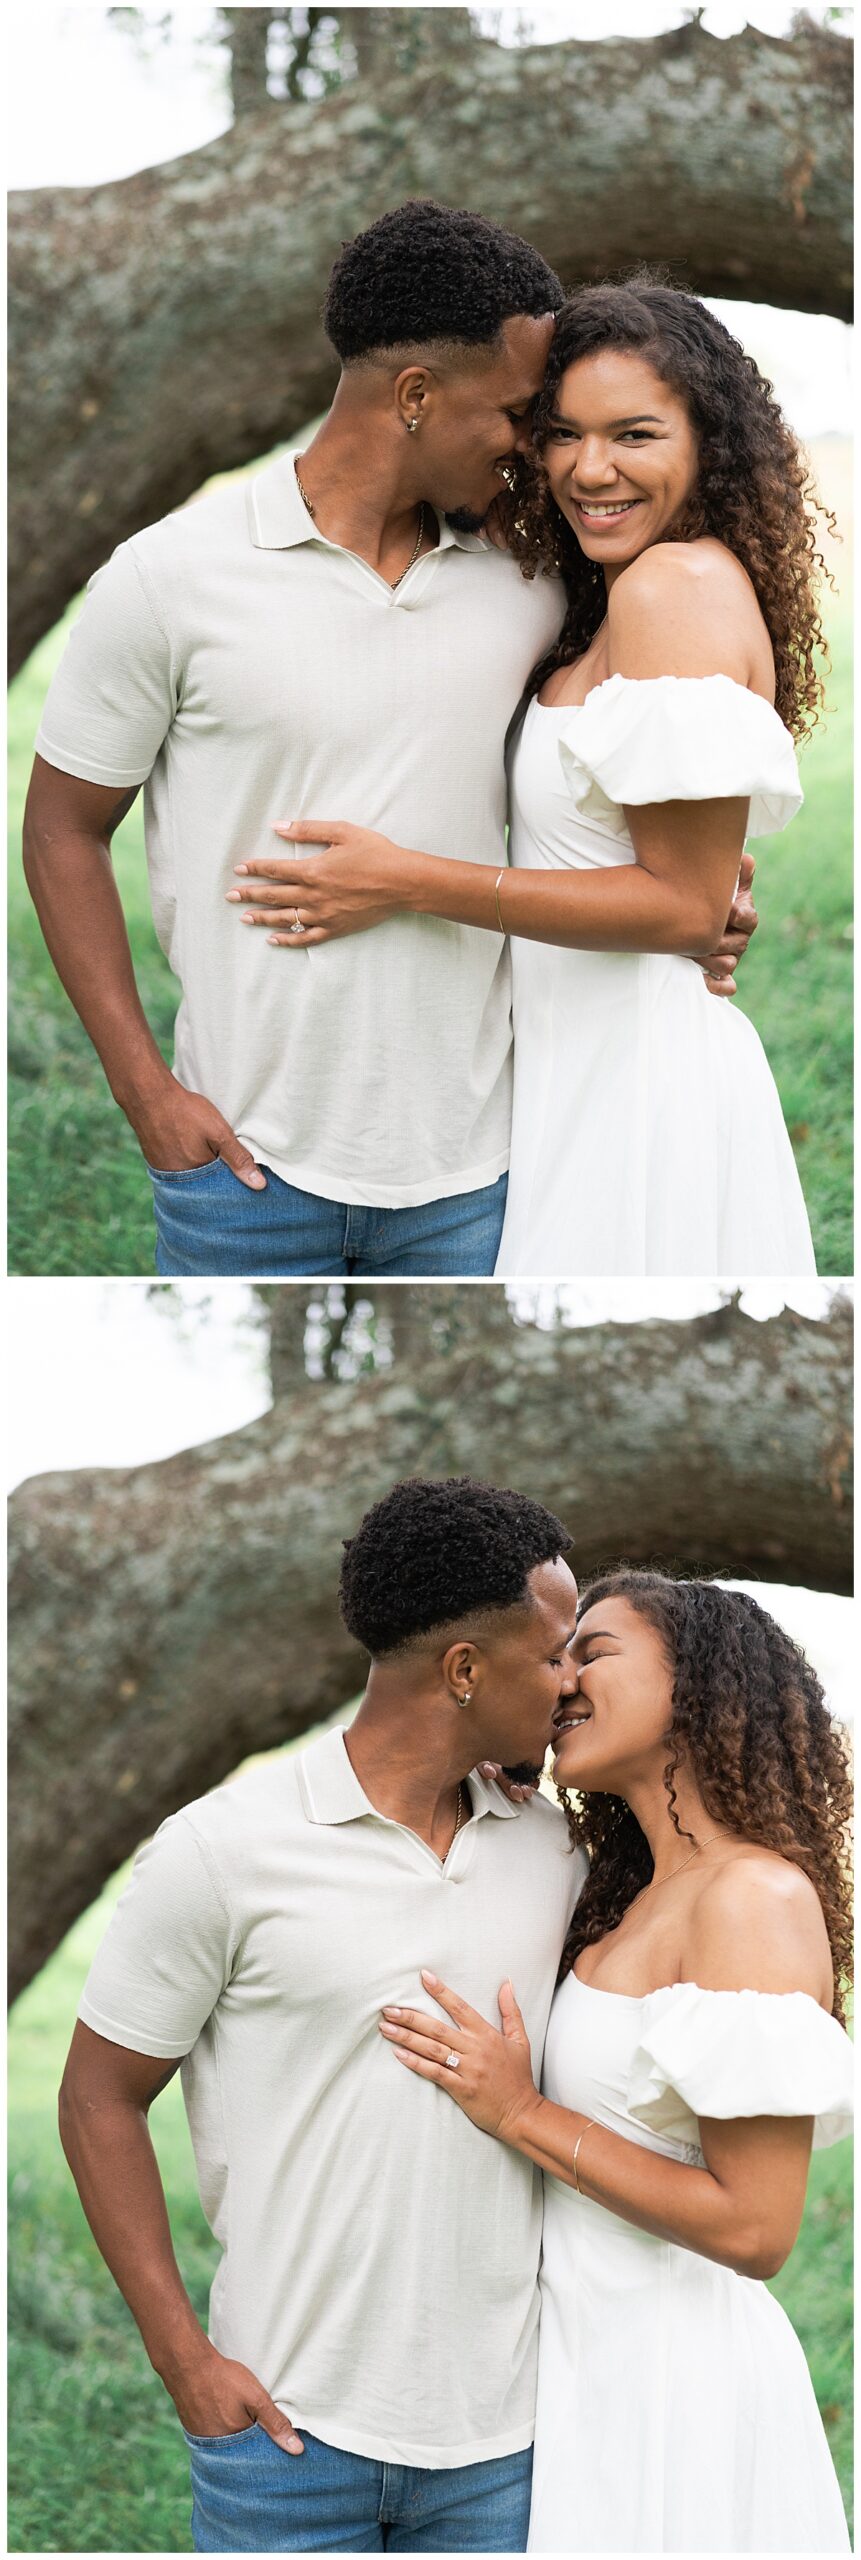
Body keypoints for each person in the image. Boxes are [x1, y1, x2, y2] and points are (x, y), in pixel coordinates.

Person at [23, 211, 752, 1281]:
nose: (533, 447)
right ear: (414, 396)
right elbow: (59, 832)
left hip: (484, 1171)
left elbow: (633, 743)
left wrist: (705, 875)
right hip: (243, 1170)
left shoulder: (536, 576)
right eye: (519, 414)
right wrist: (149, 1098)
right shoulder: (169, 577)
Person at [58, 1477, 588, 2554]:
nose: (573, 1682)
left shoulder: (557, 1849)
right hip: (284, 2439)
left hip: (504, 2449)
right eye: (556, 1652)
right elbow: (97, 2100)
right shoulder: (223, 1848)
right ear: (465, 1669)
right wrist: (183, 2360)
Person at [259, 280, 822, 1275]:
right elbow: (683, 877)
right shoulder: (614, 592)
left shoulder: (670, 586)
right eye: (562, 432)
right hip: (579, 1069)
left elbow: (685, 910)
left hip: (638, 1084)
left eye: (635, 434)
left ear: (709, 442)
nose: (590, 468)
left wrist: (402, 879)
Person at [379, 1571, 853, 2554]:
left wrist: (522, 2115)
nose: (561, 1683)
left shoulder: (751, 1898)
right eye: (558, 1661)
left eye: (591, 1651)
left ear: (704, 1682)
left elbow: (758, 2228)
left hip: (677, 2385)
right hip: (576, 2366)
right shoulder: (624, 1890)